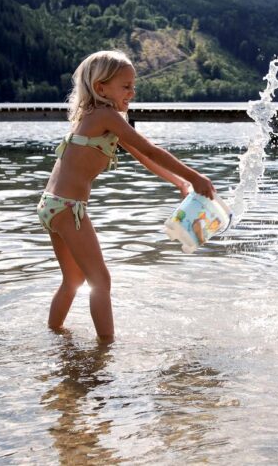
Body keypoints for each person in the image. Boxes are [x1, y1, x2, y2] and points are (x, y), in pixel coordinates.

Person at [37, 50, 216, 342]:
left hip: (52, 206)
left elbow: (143, 158)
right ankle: (106, 348)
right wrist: (196, 177)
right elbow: (150, 149)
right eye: (125, 86)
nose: (132, 92)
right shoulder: (106, 115)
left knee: (73, 280)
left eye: (133, 86)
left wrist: (179, 183)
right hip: (69, 208)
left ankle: (53, 337)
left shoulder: (96, 116)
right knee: (100, 280)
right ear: (101, 88)